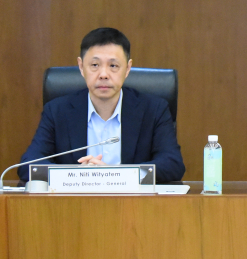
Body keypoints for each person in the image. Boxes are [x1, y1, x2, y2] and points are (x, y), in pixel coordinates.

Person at [18, 28, 185, 182]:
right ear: (81, 67)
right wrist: (77, 175)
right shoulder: (57, 111)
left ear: (127, 68)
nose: (103, 74)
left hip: (131, 203)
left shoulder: (154, 110)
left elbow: (172, 164)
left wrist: (115, 174)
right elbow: (29, 165)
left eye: (113, 66)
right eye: (95, 65)